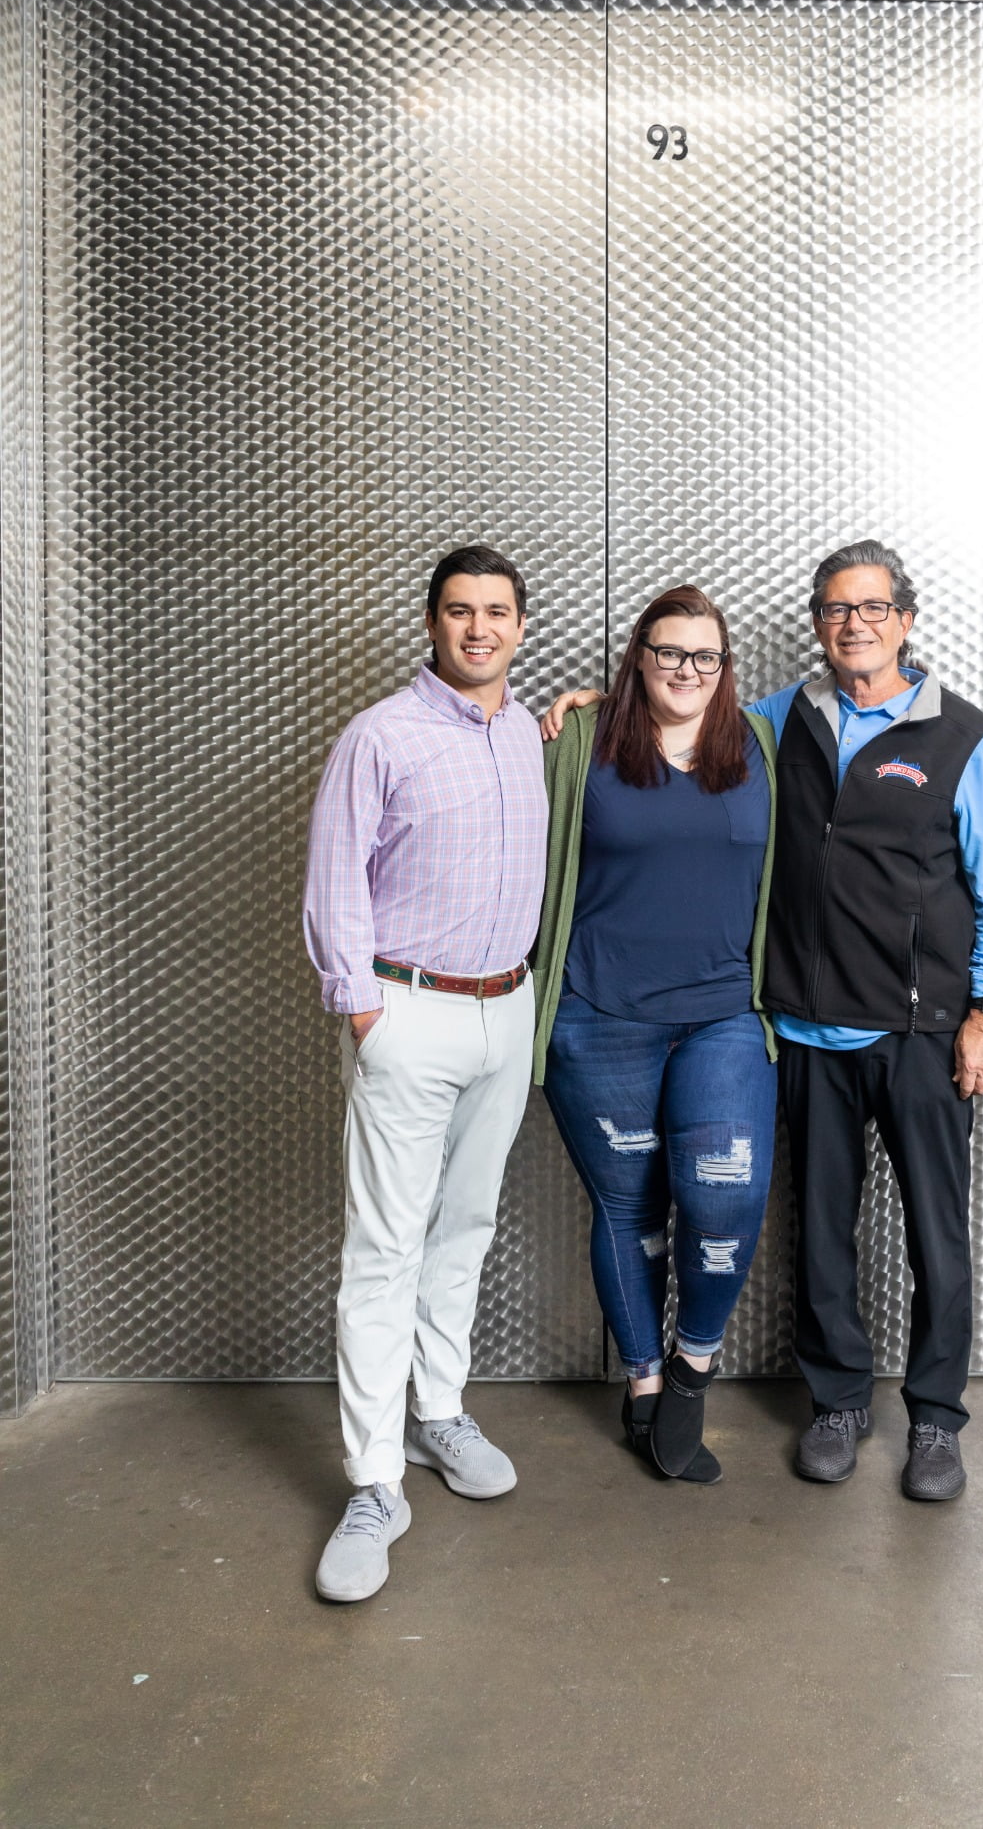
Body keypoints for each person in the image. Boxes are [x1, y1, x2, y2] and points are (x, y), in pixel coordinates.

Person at [543, 540, 983, 1503]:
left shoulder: (962, 738)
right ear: (817, 622)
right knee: (820, 1238)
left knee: (939, 1234)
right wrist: (593, 702)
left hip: (923, 1031)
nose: (857, 624)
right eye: (839, 609)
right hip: (805, 1030)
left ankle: (936, 1419)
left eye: (874, 608)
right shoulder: (777, 723)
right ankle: (838, 1404)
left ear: (906, 619)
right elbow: (682, 707)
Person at [303, 545, 545, 1602]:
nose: (478, 629)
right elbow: (331, 883)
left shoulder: (534, 735)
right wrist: (364, 1011)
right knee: (382, 1249)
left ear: (520, 628)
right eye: (459, 611)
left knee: (465, 1227)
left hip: (508, 1010)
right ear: (432, 623)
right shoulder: (380, 736)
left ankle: (438, 1412)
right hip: (407, 1011)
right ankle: (371, 1482)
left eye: (496, 612)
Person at [532, 586, 779, 1484]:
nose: (687, 671)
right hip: (598, 1019)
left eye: (704, 656)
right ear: (639, 657)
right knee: (631, 1213)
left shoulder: (761, 743)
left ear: (726, 667)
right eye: (668, 653)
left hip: (723, 1016)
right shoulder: (579, 746)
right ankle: (641, 1381)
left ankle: (692, 1364)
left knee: (724, 1200)